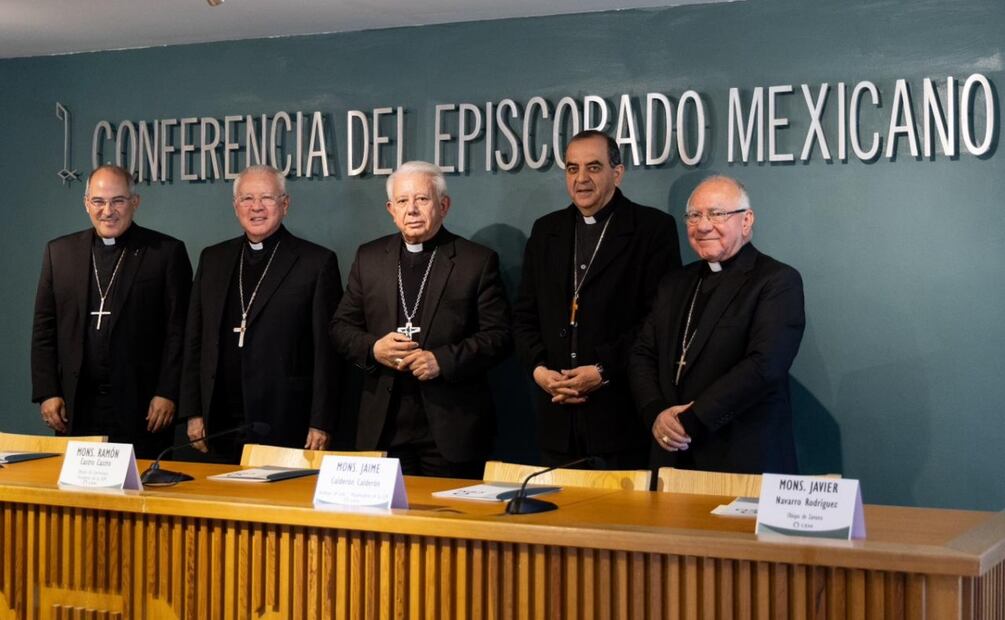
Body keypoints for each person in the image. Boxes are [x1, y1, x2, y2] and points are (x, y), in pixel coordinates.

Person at [330, 161, 511, 478]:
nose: (411, 209)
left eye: (422, 199)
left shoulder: (476, 261)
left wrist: (442, 360)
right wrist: (374, 349)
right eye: (402, 201)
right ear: (391, 209)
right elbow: (341, 329)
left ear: (444, 205)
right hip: (383, 429)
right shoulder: (369, 258)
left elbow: (499, 336)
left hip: (450, 429)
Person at [513, 130, 681, 469]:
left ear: (617, 173)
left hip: (620, 417)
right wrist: (539, 369)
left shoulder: (652, 229)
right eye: (572, 169)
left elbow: (658, 321)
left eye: (593, 167)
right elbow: (524, 314)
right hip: (556, 417)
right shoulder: (547, 231)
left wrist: (603, 370)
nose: (581, 179)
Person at [630, 175, 805, 473]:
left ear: (746, 220)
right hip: (670, 455)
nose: (703, 225)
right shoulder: (675, 283)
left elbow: (765, 365)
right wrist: (655, 412)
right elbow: (642, 354)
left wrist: (691, 420)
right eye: (694, 215)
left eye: (717, 214)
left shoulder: (776, 280)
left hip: (740, 457)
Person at [180, 165, 342, 462]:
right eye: (246, 199)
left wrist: (321, 420)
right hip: (220, 417)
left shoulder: (315, 263)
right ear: (235, 206)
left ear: (285, 204)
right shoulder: (213, 258)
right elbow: (194, 339)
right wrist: (193, 411)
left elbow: (326, 351)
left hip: (284, 415)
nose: (256, 207)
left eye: (267, 198)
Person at [31, 165, 192, 457]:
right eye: (98, 201)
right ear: (86, 204)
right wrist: (48, 391)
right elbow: (45, 327)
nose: (108, 211)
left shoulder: (166, 252)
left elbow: (178, 331)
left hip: (143, 407)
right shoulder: (60, 252)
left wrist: (167, 392)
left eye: (118, 201)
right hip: (75, 405)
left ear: (135, 202)